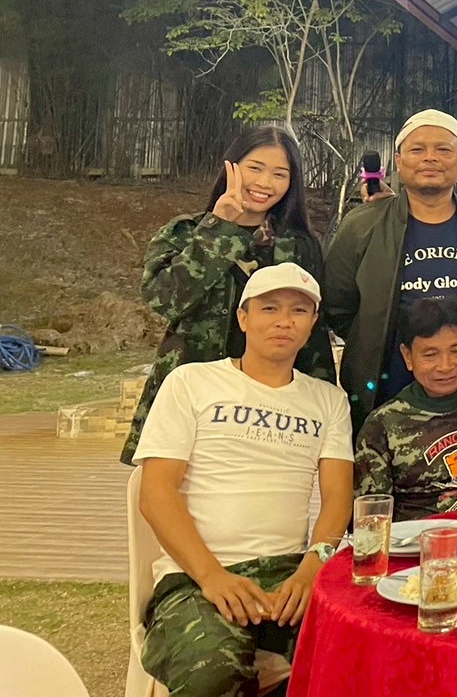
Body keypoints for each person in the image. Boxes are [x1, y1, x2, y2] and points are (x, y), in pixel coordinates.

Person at [133, 263, 354, 697]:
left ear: (312, 324)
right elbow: (155, 492)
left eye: (298, 311)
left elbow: (337, 496)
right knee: (213, 673)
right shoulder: (191, 382)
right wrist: (212, 576)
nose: (284, 321)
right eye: (269, 308)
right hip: (195, 578)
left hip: (290, 571)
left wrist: (313, 567)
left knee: (359, 654)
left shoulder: (328, 400)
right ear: (243, 317)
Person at [123, 127, 335, 466]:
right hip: (193, 395)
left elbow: (313, 332)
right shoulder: (186, 232)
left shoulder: (298, 245)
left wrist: (323, 406)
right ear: (231, 167)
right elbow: (165, 300)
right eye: (255, 168)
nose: (265, 182)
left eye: (279, 174)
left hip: (271, 408)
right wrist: (220, 228)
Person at [322, 109, 457, 434]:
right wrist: (376, 338)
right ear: (398, 160)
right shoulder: (362, 226)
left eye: (443, 149)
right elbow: (338, 306)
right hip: (384, 395)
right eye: (418, 149)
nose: (430, 158)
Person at [353, 298, 457, 519]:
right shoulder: (381, 426)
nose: (445, 366)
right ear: (408, 356)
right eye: (430, 355)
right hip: (417, 537)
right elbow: (372, 517)